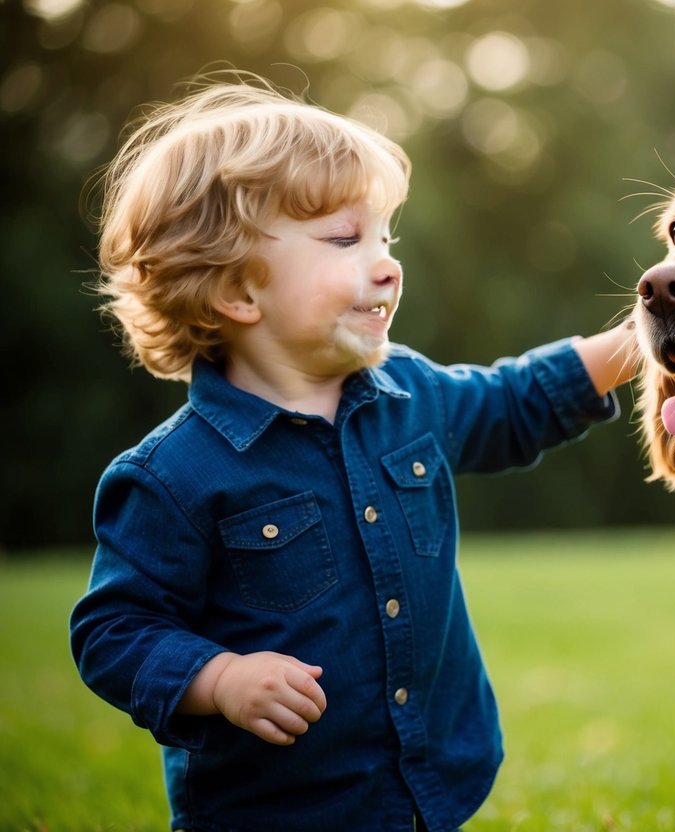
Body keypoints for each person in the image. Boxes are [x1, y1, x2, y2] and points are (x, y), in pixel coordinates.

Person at [69, 73, 636, 832]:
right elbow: (115, 630)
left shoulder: (410, 393)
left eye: (384, 237)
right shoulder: (172, 476)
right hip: (275, 811)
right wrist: (218, 677)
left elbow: (513, 400)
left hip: (429, 786)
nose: (385, 262)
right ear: (238, 292)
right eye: (345, 239)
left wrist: (646, 340)